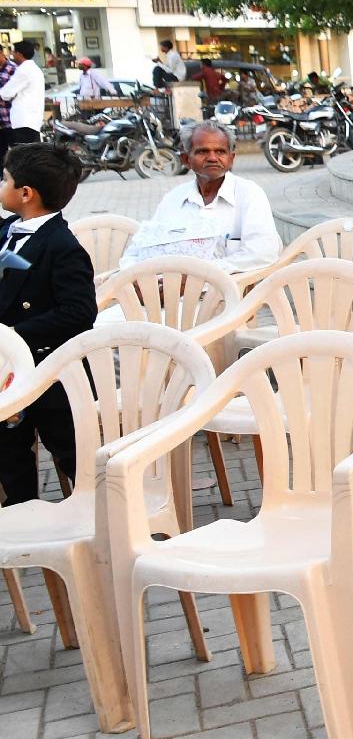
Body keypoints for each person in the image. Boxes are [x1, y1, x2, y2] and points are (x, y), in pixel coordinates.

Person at [0, 143, 93, 507]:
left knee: (72, 454)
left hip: (49, 372)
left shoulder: (62, 246)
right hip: (8, 371)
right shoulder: (8, 228)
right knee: (9, 455)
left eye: (4, 178)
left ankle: (99, 522)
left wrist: (12, 336)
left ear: (25, 193)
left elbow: (79, 312)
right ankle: (22, 521)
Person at [126, 122, 282, 271]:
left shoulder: (249, 194)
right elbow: (140, 249)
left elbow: (264, 252)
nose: (213, 158)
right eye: (203, 151)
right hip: (174, 292)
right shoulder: (173, 199)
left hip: (234, 292)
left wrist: (199, 276)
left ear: (231, 158)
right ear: (186, 159)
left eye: (220, 151)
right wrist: (139, 277)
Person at [1, 41, 45, 160]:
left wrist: (8, 95)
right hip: (32, 119)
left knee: (25, 158)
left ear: (19, 54)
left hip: (23, 120)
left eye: (13, 52)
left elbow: (5, 93)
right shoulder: (34, 69)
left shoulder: (23, 70)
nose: (12, 54)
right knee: (31, 156)